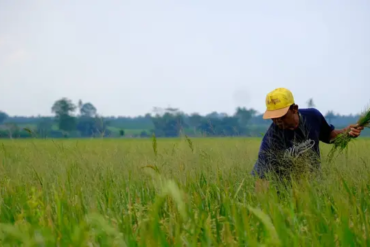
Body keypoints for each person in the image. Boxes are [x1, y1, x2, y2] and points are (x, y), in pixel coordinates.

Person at [251, 88, 363, 189]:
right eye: (273, 118)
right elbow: (262, 179)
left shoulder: (313, 117)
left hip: (314, 186)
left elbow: (329, 136)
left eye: (282, 116)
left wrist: (346, 133)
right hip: (286, 192)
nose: (277, 121)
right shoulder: (271, 140)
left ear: (294, 109)